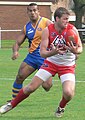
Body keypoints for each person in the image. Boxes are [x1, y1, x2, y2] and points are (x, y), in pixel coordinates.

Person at [0, 7, 83, 117]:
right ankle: (10, 105)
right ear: (57, 19)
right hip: (51, 63)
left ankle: (61, 107)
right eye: (65, 19)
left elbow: (80, 49)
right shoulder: (47, 30)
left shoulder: (72, 30)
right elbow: (43, 53)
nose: (67, 21)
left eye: (68, 19)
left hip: (67, 65)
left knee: (68, 93)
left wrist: (75, 50)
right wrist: (52, 52)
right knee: (31, 87)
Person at [9, 3, 53, 100]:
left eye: (34, 10)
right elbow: (17, 42)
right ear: (27, 13)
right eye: (30, 11)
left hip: (45, 58)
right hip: (32, 57)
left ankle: (45, 78)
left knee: (47, 86)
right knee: (20, 76)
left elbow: (57, 34)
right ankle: (14, 100)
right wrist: (15, 51)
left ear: (38, 11)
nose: (32, 13)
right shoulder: (26, 27)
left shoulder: (47, 22)